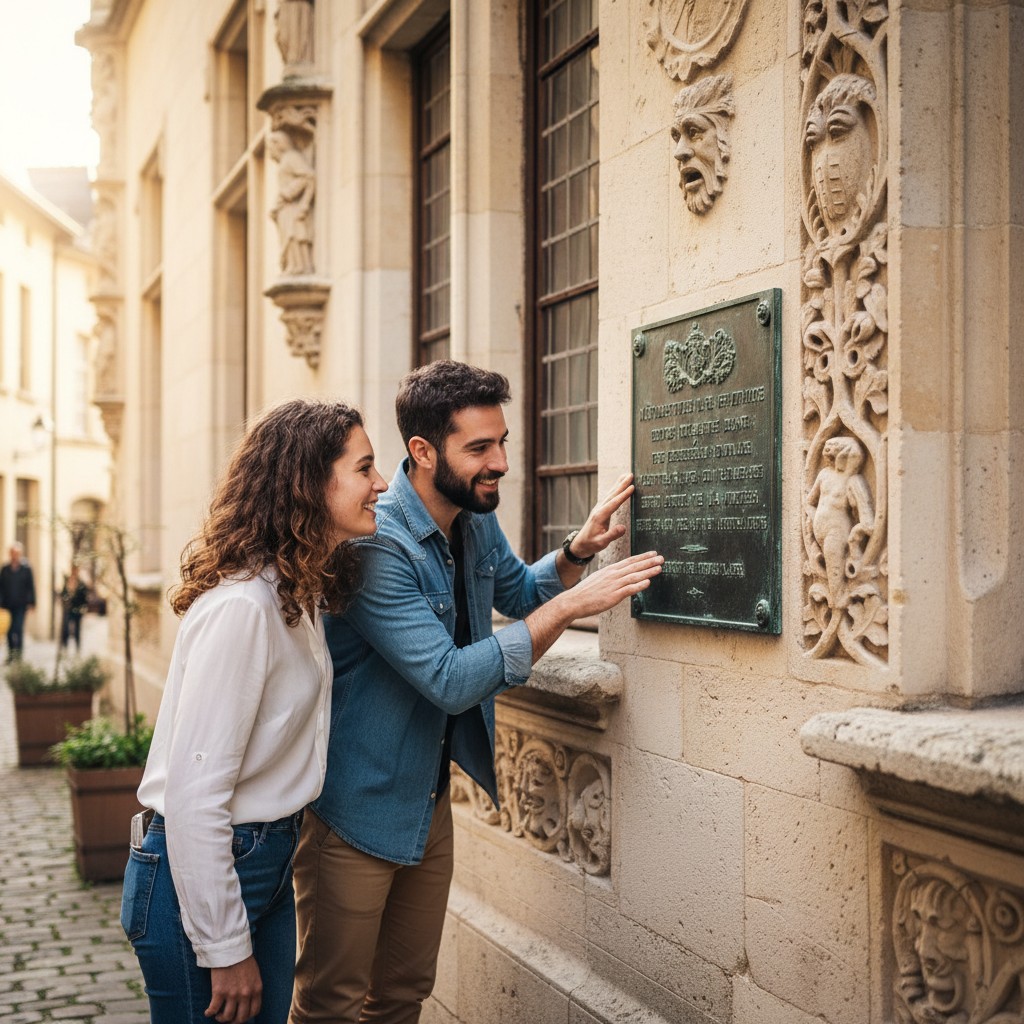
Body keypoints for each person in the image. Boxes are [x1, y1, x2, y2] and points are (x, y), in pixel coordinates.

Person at [289, 361, 663, 1023]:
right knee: (332, 1006)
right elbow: (451, 679)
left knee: (402, 994)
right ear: (423, 452)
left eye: (504, 442)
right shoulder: (378, 548)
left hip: (427, 802)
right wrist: (574, 606)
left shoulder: (469, 509)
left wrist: (577, 550)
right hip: (353, 812)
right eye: (480, 448)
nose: (502, 463)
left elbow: (516, 592)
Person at [120, 398, 387, 1024]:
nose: (380, 484)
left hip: (263, 859)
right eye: (365, 467)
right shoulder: (244, 607)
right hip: (208, 869)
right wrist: (223, 946)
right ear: (309, 482)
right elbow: (194, 794)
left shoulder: (295, 591)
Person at [0, 543, 36, 662]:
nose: (14, 555)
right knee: (9, 631)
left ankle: (19, 657)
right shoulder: (5, 569)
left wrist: (32, 603)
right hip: (7, 605)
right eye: (12, 553)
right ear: (10, 554)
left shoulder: (26, 568)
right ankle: (11, 656)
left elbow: (31, 586)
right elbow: (1, 588)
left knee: (18, 629)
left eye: (16, 553)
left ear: (20, 554)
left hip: (21, 605)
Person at [59, 565, 90, 653]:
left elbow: (85, 597)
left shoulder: (81, 583)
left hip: (77, 609)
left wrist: (84, 607)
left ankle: (77, 648)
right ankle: (65, 647)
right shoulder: (66, 581)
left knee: (77, 629)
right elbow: (63, 594)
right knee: (66, 629)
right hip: (68, 609)